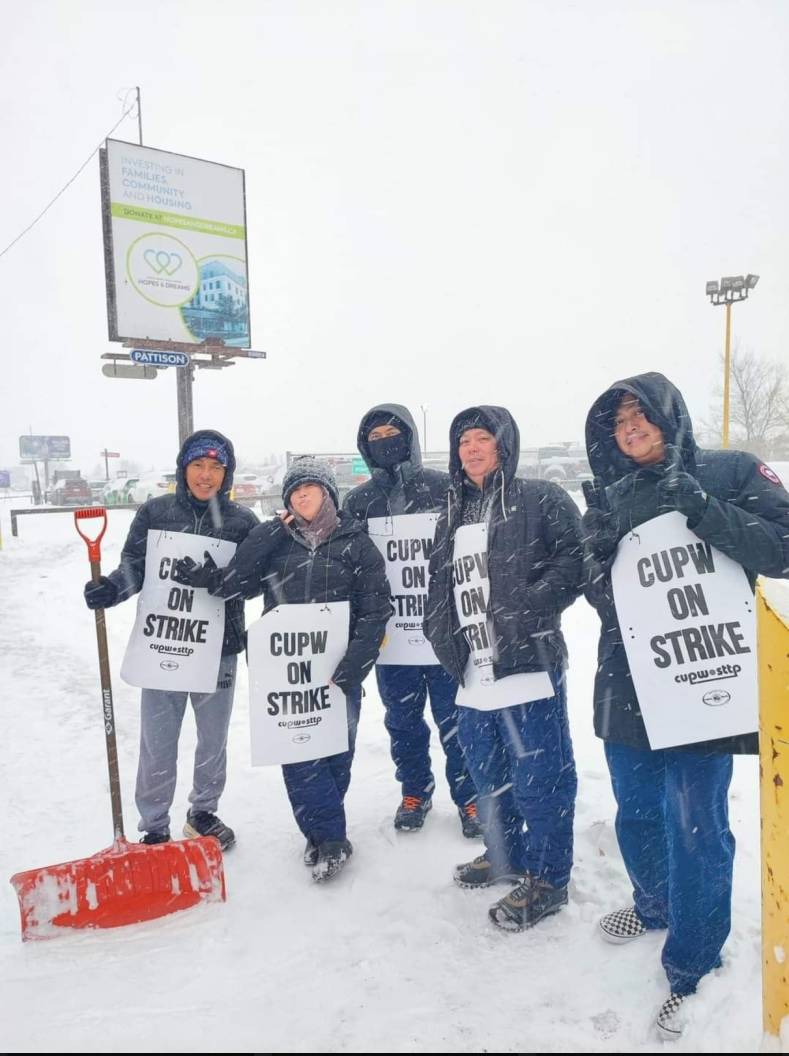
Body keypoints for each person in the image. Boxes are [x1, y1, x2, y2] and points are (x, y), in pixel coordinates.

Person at [582, 372, 789, 1039]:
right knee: (636, 810)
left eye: (640, 412)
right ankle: (654, 903)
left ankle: (693, 966)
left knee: (694, 823)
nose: (630, 426)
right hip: (627, 679)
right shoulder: (609, 495)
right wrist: (597, 560)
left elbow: (781, 547)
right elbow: (601, 591)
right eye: (618, 420)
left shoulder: (727, 471)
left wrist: (701, 507)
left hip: (704, 679)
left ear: (668, 414)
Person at [174, 456, 392, 882]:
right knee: (297, 756)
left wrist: (355, 665)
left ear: (328, 494)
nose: (302, 494)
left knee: (335, 757)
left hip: (339, 673)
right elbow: (235, 583)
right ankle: (330, 839)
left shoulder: (356, 543)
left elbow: (375, 609)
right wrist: (268, 533)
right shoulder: (277, 542)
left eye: (310, 487)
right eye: (294, 490)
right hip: (286, 674)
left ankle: (318, 830)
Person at [425, 406, 582, 930]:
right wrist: (439, 633)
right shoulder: (452, 511)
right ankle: (505, 855)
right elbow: (437, 585)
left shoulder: (540, 498)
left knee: (541, 777)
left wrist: (532, 603)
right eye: (463, 440)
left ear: (504, 445)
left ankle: (548, 878)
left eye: (482, 438)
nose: (471, 448)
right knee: (488, 774)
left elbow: (575, 560)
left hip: (526, 662)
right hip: (473, 671)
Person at [83, 430, 258, 850]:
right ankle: (154, 825)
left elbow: (252, 581)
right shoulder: (156, 513)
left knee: (212, 740)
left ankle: (202, 812)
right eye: (198, 465)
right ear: (184, 469)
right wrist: (112, 588)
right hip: (164, 644)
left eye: (216, 467)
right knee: (158, 741)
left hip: (218, 648)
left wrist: (219, 582)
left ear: (226, 473)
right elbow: (135, 566)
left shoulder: (242, 522)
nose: (206, 475)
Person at [344, 403, 480, 837]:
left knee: (456, 719)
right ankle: (414, 791)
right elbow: (349, 564)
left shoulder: (446, 488)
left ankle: (470, 795)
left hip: (443, 631)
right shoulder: (360, 501)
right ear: (365, 447)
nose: (385, 441)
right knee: (402, 721)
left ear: (411, 437)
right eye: (375, 437)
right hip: (392, 639)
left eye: (393, 433)